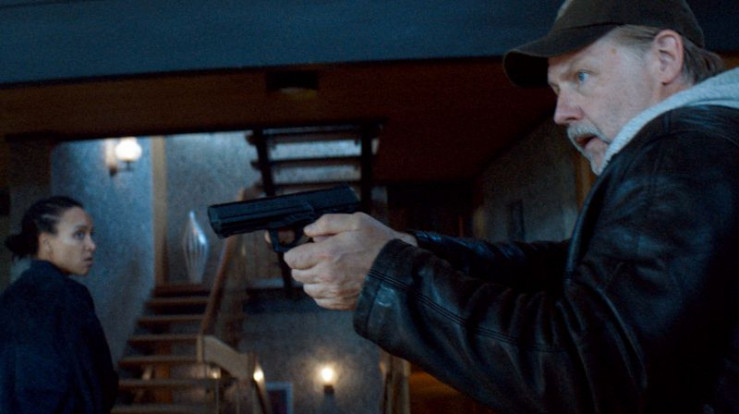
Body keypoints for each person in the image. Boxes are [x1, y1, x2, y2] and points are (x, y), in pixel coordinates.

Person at [279, 0, 739, 412]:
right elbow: (566, 273)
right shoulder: (702, 147)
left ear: (665, 58)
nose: (562, 113)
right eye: (557, 90)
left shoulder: (676, 151)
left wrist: (384, 276)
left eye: (581, 77)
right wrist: (411, 250)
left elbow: (589, 372)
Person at [0, 196, 119, 413]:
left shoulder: (9, 296)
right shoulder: (70, 296)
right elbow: (98, 380)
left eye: (91, 235)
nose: (91, 246)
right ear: (46, 243)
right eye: (79, 235)